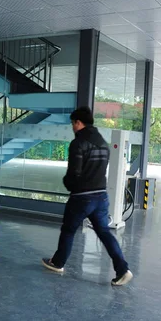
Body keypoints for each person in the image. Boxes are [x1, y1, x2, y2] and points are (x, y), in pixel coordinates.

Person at [42, 106, 133, 286]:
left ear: (78, 122)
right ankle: (123, 269)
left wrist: (68, 184)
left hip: (82, 197)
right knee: (104, 233)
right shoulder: (102, 143)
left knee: (68, 230)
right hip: (101, 196)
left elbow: (73, 173)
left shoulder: (78, 143)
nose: (73, 127)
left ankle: (58, 263)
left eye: (73, 124)